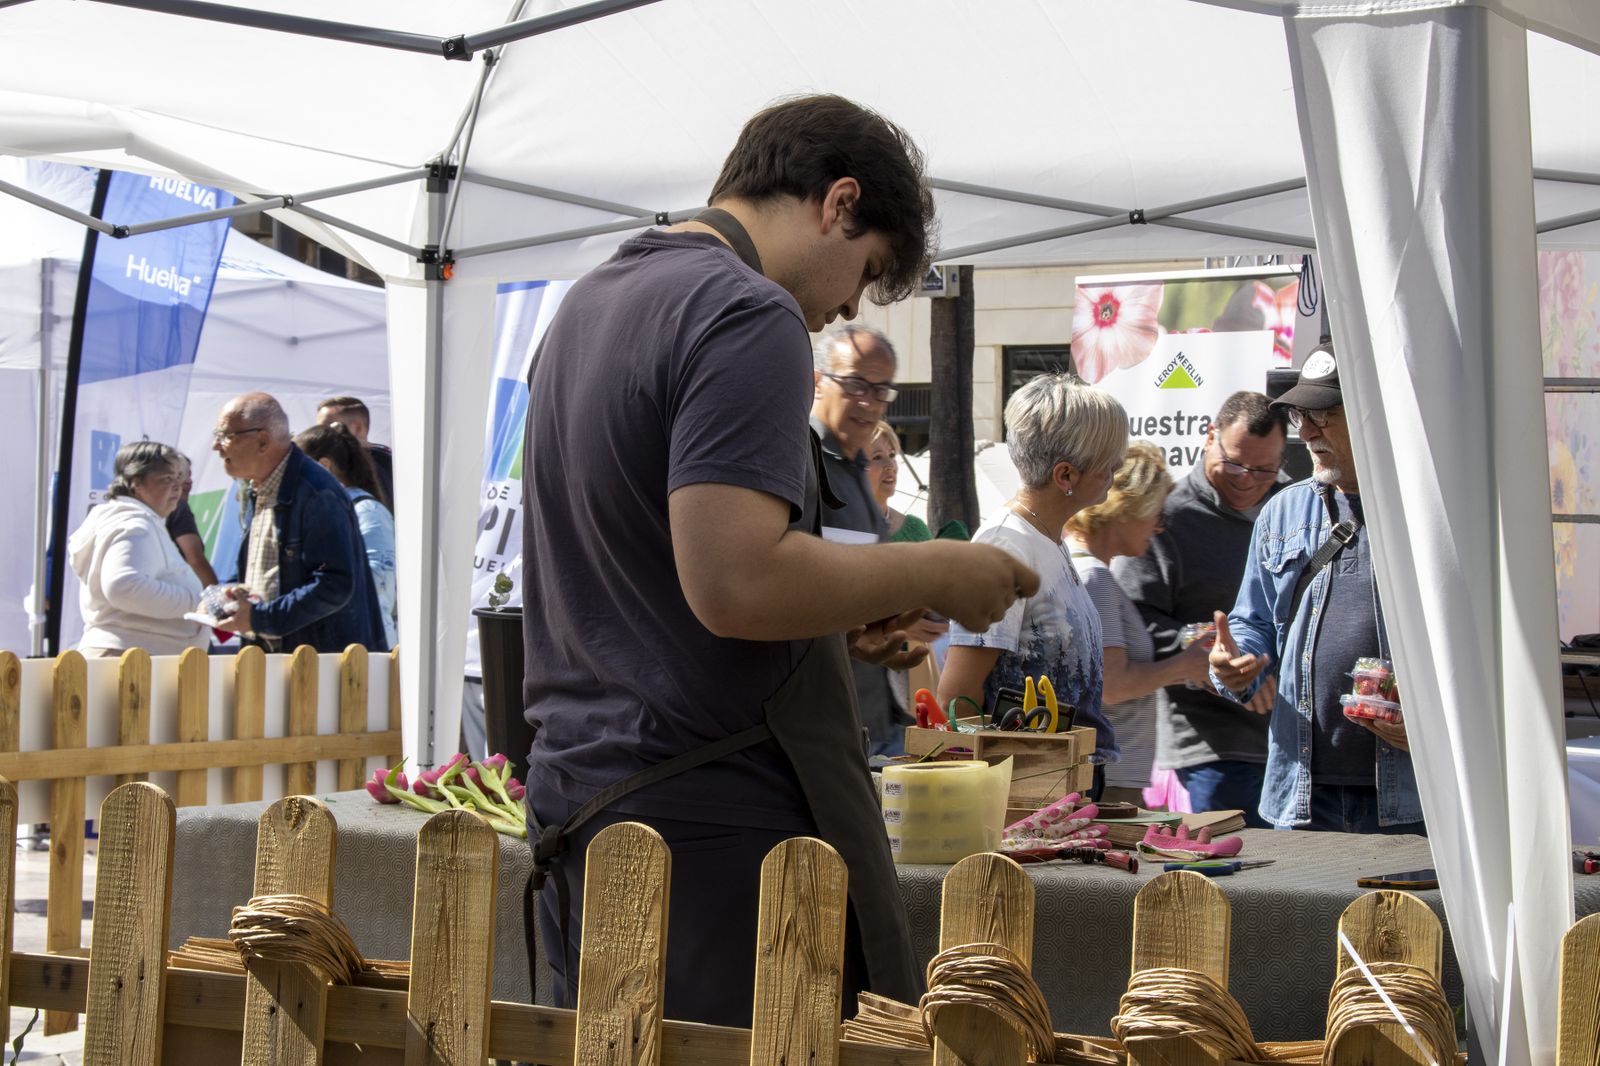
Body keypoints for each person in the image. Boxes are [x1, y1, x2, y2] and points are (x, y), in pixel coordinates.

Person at [520, 94, 1038, 1028]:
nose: (847, 305)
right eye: (866, 270)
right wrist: (935, 569)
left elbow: (654, 572)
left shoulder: (587, 304)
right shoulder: (745, 309)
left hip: (588, 796)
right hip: (711, 823)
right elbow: (738, 582)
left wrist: (839, 611)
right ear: (839, 202)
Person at [1208, 343, 1423, 833]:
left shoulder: (1430, 510)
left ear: (1373, 412)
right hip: (1301, 793)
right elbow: (1254, 621)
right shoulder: (1283, 511)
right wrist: (1235, 663)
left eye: (1323, 415)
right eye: (1301, 415)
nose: (1305, 432)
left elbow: (1481, 648)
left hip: (1410, 793)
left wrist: (1434, 725)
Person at [940, 373, 1127, 794]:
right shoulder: (1007, 545)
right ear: (1065, 475)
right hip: (1027, 792)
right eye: (1109, 462)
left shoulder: (1045, 539)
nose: (1116, 470)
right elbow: (957, 698)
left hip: (1060, 782)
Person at [1112, 391, 1287, 824]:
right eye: (1235, 464)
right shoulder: (1166, 517)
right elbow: (1134, 621)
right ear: (1210, 437)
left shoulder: (1293, 508)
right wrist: (1217, 657)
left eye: (1264, 469)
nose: (1247, 480)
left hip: (1294, 745)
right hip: (1213, 746)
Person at [812, 325, 946, 756]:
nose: (869, 402)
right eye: (855, 384)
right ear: (818, 382)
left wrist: (902, 618)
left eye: (881, 390)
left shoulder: (853, 470)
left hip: (869, 723)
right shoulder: (798, 464)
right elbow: (788, 591)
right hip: (817, 727)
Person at [1065, 442, 1211, 807]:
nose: (1159, 526)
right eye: (1156, 513)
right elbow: (1113, 686)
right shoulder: (1096, 578)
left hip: (1103, 774)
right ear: (1126, 508)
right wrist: (1186, 664)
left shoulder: (1079, 567)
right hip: (1109, 779)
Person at [211, 392, 388, 654]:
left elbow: (335, 584)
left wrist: (261, 618)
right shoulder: (259, 489)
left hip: (320, 664)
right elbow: (264, 571)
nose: (216, 446)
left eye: (226, 435)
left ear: (262, 441)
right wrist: (230, 594)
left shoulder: (316, 492)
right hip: (280, 659)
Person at [67, 441, 207, 656]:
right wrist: (196, 602)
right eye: (166, 478)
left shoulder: (134, 521)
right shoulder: (135, 525)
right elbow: (123, 586)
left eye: (178, 478)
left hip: (130, 657)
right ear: (136, 483)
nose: (177, 486)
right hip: (129, 661)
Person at [294, 422, 399, 650]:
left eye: (298, 469)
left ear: (324, 466)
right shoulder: (316, 511)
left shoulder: (367, 512)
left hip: (365, 648)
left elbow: (378, 585)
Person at [316, 395, 394, 511]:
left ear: (358, 428)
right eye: (318, 429)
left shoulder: (365, 467)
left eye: (328, 428)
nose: (320, 435)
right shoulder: (391, 462)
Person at [867, 421, 930, 543]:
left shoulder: (916, 531)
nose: (890, 465)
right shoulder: (833, 528)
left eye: (891, 455)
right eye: (877, 457)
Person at [164, 453, 219, 588]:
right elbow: (195, 560)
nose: (188, 481)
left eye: (189, 475)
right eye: (180, 475)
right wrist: (215, 593)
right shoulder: (179, 507)